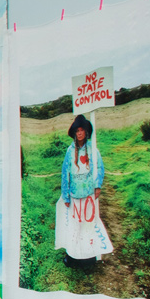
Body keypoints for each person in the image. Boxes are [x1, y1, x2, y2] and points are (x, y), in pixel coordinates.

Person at [55, 113, 113, 264]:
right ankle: (72, 256)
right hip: (74, 194)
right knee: (74, 226)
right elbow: (65, 173)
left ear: (86, 132)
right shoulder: (70, 151)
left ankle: (89, 255)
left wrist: (97, 186)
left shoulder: (93, 150)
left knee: (88, 225)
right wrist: (66, 195)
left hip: (88, 194)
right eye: (77, 130)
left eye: (82, 130)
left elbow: (99, 168)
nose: (79, 133)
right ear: (74, 133)